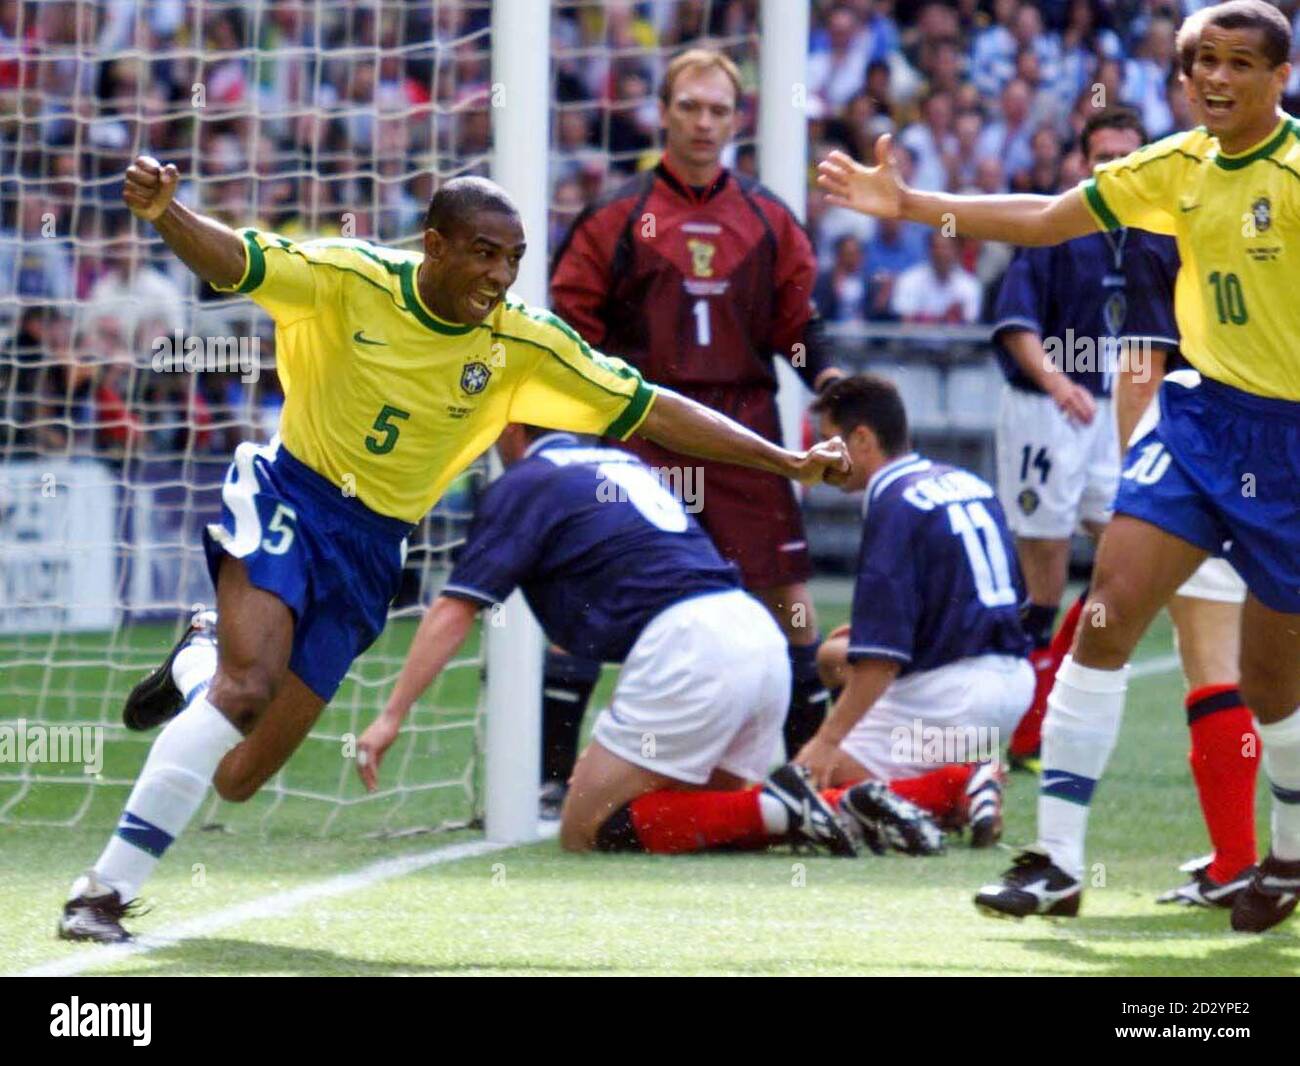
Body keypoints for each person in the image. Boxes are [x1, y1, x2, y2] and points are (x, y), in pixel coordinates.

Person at [57, 159, 851, 944]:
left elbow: (651, 409)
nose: (501, 274)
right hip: (290, 493)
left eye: (513, 259)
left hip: (371, 552)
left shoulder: (523, 345)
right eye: (483, 252)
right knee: (247, 689)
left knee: (237, 776)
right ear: (434, 245)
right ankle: (100, 894)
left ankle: (198, 655)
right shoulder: (348, 277)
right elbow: (239, 261)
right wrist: (168, 213)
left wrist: (783, 460)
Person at [818, 0, 1300, 933]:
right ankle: (1059, 861)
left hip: (1288, 447)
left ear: (1281, 77)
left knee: (1274, 682)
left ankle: (1287, 852)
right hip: (1198, 425)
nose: (1217, 77)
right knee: (1105, 619)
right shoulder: (1176, 165)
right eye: (1203, 59)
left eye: (1241, 62)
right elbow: (1042, 218)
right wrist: (914, 205)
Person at [355, 424, 938, 859]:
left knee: (584, 830)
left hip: (692, 649)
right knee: (711, 816)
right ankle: (854, 803)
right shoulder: (624, 464)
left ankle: (782, 806)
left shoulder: (530, 480)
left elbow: (455, 609)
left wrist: (391, 715)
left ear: (510, 428)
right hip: (755, 635)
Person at [550, 48, 844, 790]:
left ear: (736, 118)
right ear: (663, 111)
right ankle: (553, 775)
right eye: (689, 106)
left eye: (718, 109)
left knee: (790, 605)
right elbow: (569, 328)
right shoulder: (616, 217)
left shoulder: (769, 217)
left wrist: (832, 382)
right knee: (597, 589)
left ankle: (807, 774)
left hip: (745, 432)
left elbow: (796, 325)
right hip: (644, 429)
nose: (704, 121)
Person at [991, 107, 1181, 770]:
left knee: (1123, 561)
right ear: (1081, 163)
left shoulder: (1155, 235)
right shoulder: (1055, 229)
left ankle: (1048, 707)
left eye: (1127, 157)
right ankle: (1015, 725)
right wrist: (1056, 382)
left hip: (1113, 416)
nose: (1113, 169)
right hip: (1047, 413)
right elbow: (1015, 323)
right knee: (1043, 581)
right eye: (1102, 157)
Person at [792, 375, 1031, 849]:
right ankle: (965, 771)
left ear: (861, 440)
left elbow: (881, 662)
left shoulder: (894, 505)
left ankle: (957, 787)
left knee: (803, 794)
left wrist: (826, 742)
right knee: (833, 656)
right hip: (1011, 684)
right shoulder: (965, 481)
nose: (817, 459)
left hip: (951, 699)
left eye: (825, 443)